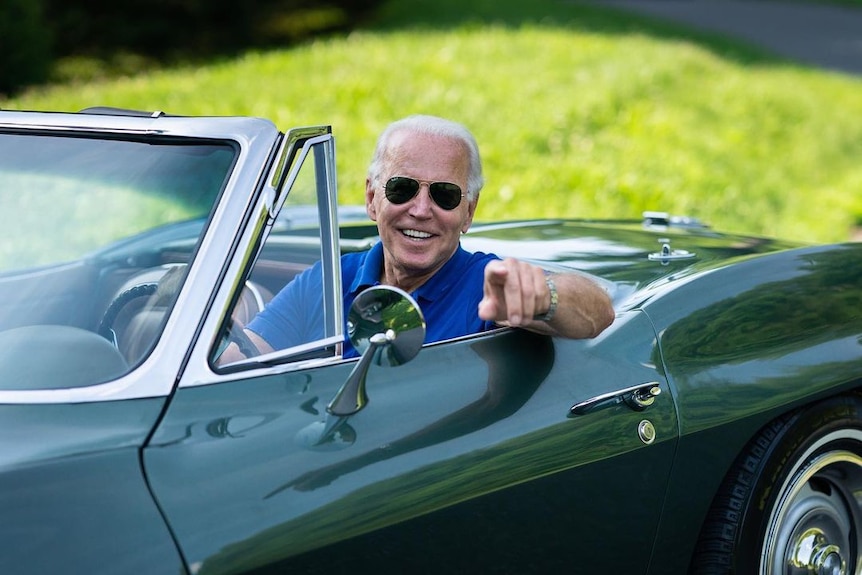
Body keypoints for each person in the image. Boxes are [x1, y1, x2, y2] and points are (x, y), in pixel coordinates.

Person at [221, 115, 614, 362]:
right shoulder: (328, 281)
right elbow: (245, 360)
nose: (421, 210)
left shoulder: (488, 287)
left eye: (444, 195)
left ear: (469, 213)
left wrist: (544, 298)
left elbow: (598, 312)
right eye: (402, 188)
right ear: (372, 198)